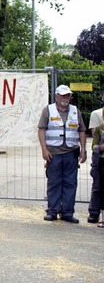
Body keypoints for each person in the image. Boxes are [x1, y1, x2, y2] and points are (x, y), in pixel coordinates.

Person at [38, 84, 87, 223]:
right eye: (63, 95)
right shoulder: (48, 110)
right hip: (53, 153)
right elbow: (41, 130)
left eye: (68, 95)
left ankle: (67, 212)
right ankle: (52, 211)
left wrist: (83, 149)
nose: (66, 98)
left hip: (71, 153)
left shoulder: (75, 111)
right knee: (54, 182)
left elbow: (81, 130)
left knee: (70, 183)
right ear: (56, 96)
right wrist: (44, 149)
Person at [87, 90, 104, 223]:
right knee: (98, 184)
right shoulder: (96, 114)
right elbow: (95, 139)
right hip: (100, 157)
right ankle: (94, 212)